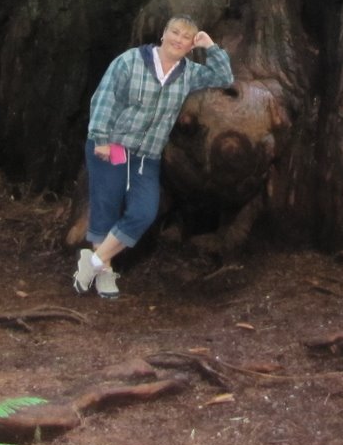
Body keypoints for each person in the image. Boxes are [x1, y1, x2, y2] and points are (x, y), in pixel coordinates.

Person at [73, 15, 233, 299]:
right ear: (163, 34)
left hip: (146, 156)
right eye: (175, 32)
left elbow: (224, 78)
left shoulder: (188, 73)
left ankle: (93, 262)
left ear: (190, 45)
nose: (178, 39)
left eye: (186, 37)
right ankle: (106, 273)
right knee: (106, 207)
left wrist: (210, 46)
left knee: (144, 211)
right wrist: (100, 138)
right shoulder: (130, 61)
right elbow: (105, 97)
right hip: (114, 146)